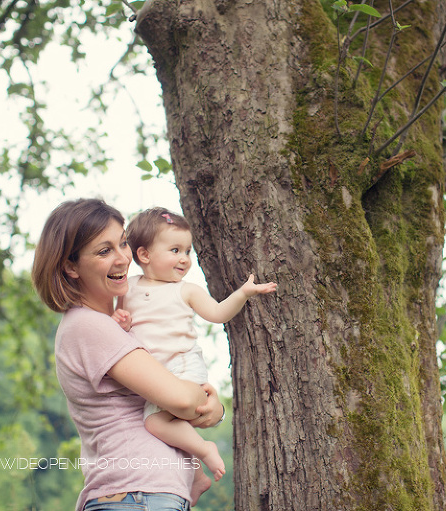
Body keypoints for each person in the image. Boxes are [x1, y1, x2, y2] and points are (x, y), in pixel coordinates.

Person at [31, 198, 224, 511]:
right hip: (135, 496)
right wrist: (202, 400)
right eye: (105, 251)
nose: (123, 258)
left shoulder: (116, 325)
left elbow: (174, 397)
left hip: (148, 495)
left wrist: (212, 407)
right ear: (70, 266)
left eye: (123, 244)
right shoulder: (89, 326)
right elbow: (183, 400)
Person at [112, 207, 277, 484]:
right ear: (144, 255)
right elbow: (121, 326)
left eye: (188, 251)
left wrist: (243, 293)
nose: (185, 259)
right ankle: (197, 474)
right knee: (166, 423)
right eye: (175, 250)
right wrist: (121, 321)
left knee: (155, 422)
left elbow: (218, 313)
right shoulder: (128, 287)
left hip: (182, 365)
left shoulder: (185, 290)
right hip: (157, 373)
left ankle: (204, 450)